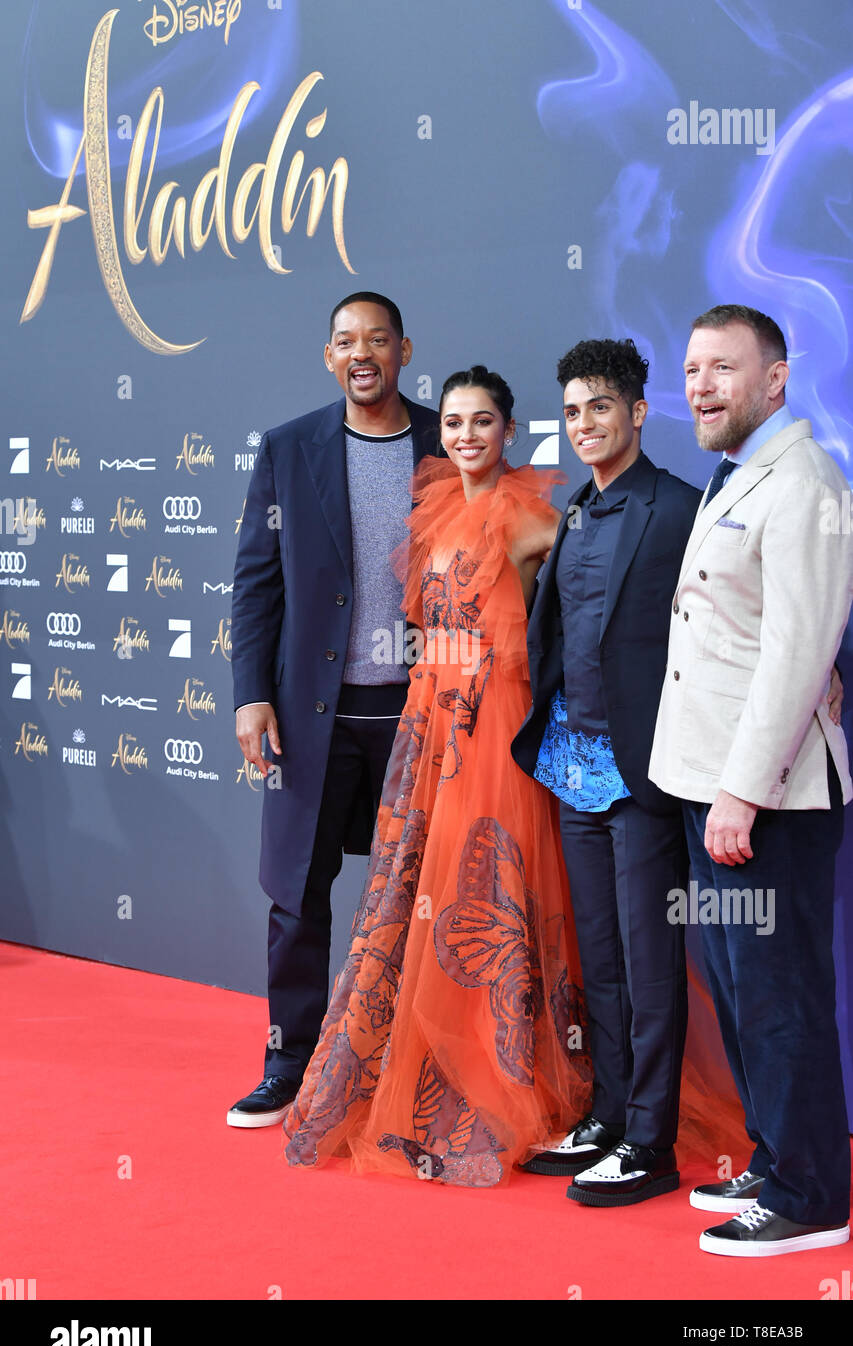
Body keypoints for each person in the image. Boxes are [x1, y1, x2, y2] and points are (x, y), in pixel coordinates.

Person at [281, 366, 592, 1184]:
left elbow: (576, 623)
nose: (465, 437)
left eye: (482, 422)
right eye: (453, 422)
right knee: (423, 893)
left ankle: (506, 1081)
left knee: (487, 896)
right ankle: (431, 1073)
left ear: (509, 430)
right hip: (430, 723)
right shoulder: (433, 512)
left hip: (498, 731)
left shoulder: (536, 522)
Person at [649, 303, 853, 1255]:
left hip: (762, 801)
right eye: (691, 369)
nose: (700, 386)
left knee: (779, 997)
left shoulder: (803, 478)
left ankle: (811, 1199)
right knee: (737, 989)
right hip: (709, 787)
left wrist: (742, 790)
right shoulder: (733, 474)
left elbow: (797, 652)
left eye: (721, 369)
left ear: (774, 378)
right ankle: (777, 1159)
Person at [228, 293, 439, 1127]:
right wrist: (250, 693)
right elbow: (256, 584)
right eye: (346, 341)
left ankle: (412, 1065)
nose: (362, 353)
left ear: (404, 351)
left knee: (422, 895)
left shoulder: (445, 440)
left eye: (377, 340)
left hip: (418, 715)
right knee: (297, 894)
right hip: (312, 711)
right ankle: (290, 1060)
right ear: (328, 357)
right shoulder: (287, 449)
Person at [511, 339, 707, 1206]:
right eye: (571, 411)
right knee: (600, 957)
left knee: (648, 956)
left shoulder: (678, 509)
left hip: (646, 770)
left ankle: (652, 1142)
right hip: (572, 765)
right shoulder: (574, 515)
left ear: (637, 411)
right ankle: (610, 1115)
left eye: (599, 407)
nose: (584, 424)